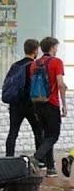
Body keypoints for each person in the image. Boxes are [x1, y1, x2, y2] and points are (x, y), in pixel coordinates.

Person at [31, 36, 66, 177]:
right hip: (51, 103)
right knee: (53, 135)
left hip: (37, 104)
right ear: (52, 47)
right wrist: (64, 104)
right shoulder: (57, 62)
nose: (57, 49)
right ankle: (36, 158)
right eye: (56, 47)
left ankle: (51, 168)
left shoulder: (35, 64)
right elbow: (61, 84)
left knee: (47, 135)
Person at [3, 39, 41, 158]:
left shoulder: (15, 65)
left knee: (13, 132)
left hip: (15, 104)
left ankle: (9, 157)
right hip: (29, 104)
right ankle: (40, 159)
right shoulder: (33, 65)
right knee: (38, 131)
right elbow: (34, 86)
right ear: (35, 51)